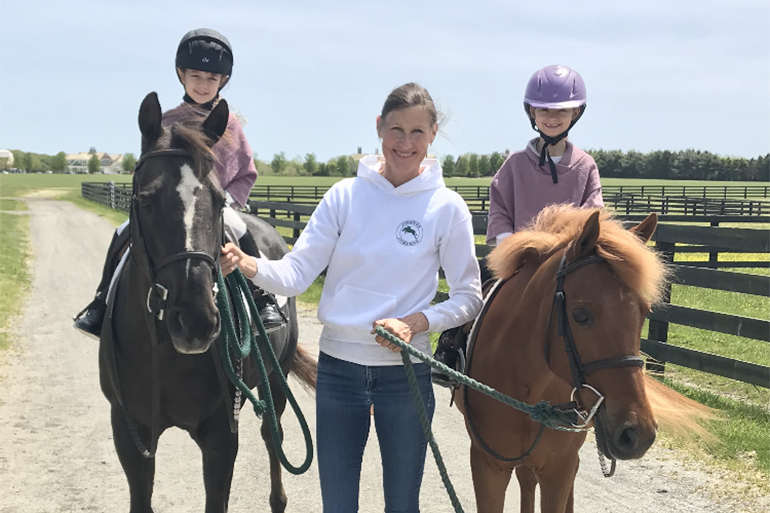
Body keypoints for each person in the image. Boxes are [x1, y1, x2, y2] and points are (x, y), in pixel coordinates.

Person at [220, 83, 482, 512]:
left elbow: (469, 297)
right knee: (338, 506)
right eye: (396, 129)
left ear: (433, 133)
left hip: (405, 374)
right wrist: (250, 265)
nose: (405, 142)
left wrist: (414, 323)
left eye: (417, 132)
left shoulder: (446, 208)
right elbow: (296, 274)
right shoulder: (344, 196)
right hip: (339, 373)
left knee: (402, 505)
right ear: (379, 128)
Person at [73, 28, 284, 339]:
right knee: (122, 231)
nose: (203, 84)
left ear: (223, 81)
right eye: (195, 76)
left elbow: (246, 172)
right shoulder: (168, 120)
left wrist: (224, 200)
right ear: (181, 74)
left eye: (212, 78)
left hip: (215, 204)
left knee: (240, 228)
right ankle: (102, 301)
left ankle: (263, 299)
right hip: (174, 205)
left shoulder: (230, 126)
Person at [431, 65, 604, 388]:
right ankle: (450, 349)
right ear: (531, 113)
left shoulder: (585, 167)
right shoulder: (514, 165)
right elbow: (500, 209)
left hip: (568, 264)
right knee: (476, 285)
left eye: (561, 111)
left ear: (576, 113)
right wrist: (512, 247)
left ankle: (606, 378)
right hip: (517, 259)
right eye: (544, 111)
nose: (552, 118)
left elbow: (594, 215)